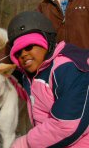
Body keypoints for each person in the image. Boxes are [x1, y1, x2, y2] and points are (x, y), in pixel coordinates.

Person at [8, 11, 89, 148]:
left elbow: (66, 125)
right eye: (18, 52)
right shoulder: (31, 74)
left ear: (46, 42)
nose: (23, 54)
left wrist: (26, 143)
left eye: (28, 46)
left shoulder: (68, 68)